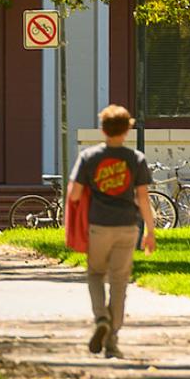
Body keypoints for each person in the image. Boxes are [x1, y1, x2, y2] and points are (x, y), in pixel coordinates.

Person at [67, 104, 156, 358]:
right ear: (127, 129)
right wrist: (150, 231)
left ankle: (101, 318)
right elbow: (143, 198)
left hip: (98, 226)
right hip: (128, 226)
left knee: (95, 274)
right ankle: (113, 339)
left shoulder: (89, 157)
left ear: (103, 129)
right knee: (119, 282)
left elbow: (75, 193)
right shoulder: (136, 159)